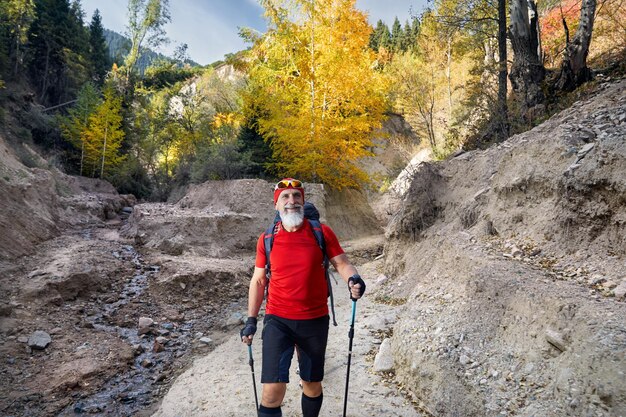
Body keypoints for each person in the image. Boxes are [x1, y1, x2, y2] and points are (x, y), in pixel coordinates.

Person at [241, 178, 366, 417]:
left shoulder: (322, 232)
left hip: (314, 320)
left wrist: (354, 279)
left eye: (296, 196)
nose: (292, 201)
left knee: (311, 384)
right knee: (271, 392)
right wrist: (251, 320)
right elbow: (258, 280)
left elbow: (341, 262)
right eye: (285, 197)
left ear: (303, 201)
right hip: (278, 320)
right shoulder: (267, 239)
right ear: (276, 204)